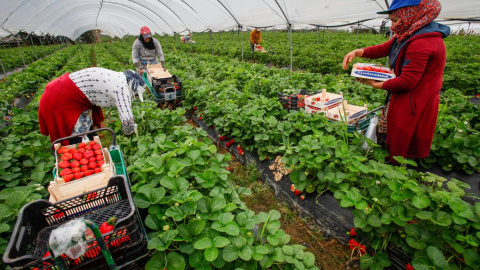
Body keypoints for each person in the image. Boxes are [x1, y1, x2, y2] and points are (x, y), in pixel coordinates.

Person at [342, 0, 449, 163]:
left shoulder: (422, 42)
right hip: (405, 97)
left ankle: (398, 169)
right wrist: (358, 52)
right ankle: (392, 159)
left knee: (404, 136)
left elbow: (407, 82)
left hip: (415, 100)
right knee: (395, 131)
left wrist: (375, 84)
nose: (392, 27)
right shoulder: (409, 33)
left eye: (395, 20)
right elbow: (385, 48)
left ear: (410, 15)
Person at [39, 68, 146, 145]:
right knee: (79, 139)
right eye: (136, 94)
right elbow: (127, 121)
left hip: (62, 91)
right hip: (61, 98)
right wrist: (134, 138)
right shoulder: (122, 88)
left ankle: (92, 151)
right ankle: (83, 163)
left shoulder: (119, 77)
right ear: (133, 87)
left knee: (88, 131)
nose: (134, 97)